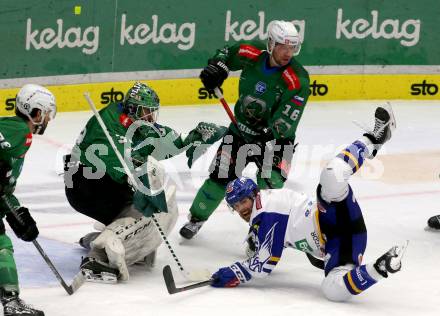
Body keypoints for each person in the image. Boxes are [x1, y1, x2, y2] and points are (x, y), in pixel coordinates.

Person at [210, 104, 408, 302]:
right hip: (340, 244)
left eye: (243, 201)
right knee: (333, 290)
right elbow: (275, 237)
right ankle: (380, 267)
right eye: (235, 206)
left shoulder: (267, 208)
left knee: (332, 175)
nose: (241, 209)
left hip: (332, 213)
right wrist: (255, 240)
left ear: (255, 194)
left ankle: (374, 138)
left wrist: (236, 272)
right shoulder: (261, 218)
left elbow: (264, 264)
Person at [63, 82, 226, 283]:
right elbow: (119, 164)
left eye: (151, 112)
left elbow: (163, 141)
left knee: (153, 191)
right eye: (145, 112)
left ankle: (119, 241)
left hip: (106, 183)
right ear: (132, 109)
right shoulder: (108, 125)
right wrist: (140, 185)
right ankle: (98, 258)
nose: (150, 117)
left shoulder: (135, 122)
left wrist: (193, 136)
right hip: (86, 186)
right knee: (137, 211)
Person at [180, 20, 310, 239]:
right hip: (241, 131)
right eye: (282, 46)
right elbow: (225, 55)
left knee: (270, 187)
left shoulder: (297, 80)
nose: (288, 53)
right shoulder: (251, 52)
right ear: (270, 43)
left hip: (277, 141)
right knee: (220, 176)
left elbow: (285, 123)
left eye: (292, 48)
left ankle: (262, 232)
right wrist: (216, 67)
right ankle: (196, 219)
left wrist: (267, 140)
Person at [0, 84, 56, 315]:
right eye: (46, 114)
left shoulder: (17, 134)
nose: (47, 120)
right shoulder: (19, 131)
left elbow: (3, 187)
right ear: (35, 112)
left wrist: (16, 213)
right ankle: (12, 303)